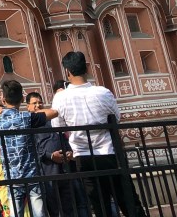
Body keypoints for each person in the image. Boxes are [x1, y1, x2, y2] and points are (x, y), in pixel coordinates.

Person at [50, 52, 142, 217]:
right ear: (86, 68)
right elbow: (116, 118)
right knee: (129, 201)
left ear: (67, 72)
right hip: (110, 152)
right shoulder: (102, 92)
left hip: (83, 156)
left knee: (100, 206)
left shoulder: (60, 97)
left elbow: (58, 126)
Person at [0, 81, 58, 217]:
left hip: (11, 176)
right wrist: (35, 111)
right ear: (22, 99)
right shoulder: (26, 118)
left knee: (15, 213)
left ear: (3, 100)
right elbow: (54, 112)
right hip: (31, 174)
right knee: (39, 213)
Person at [27, 92, 85, 217]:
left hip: (65, 168)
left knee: (69, 206)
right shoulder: (29, 124)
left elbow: (64, 137)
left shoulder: (52, 120)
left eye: (40, 102)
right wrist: (51, 156)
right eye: (34, 103)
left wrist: (69, 152)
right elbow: (33, 148)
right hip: (47, 170)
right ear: (28, 107)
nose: (38, 105)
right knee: (54, 208)